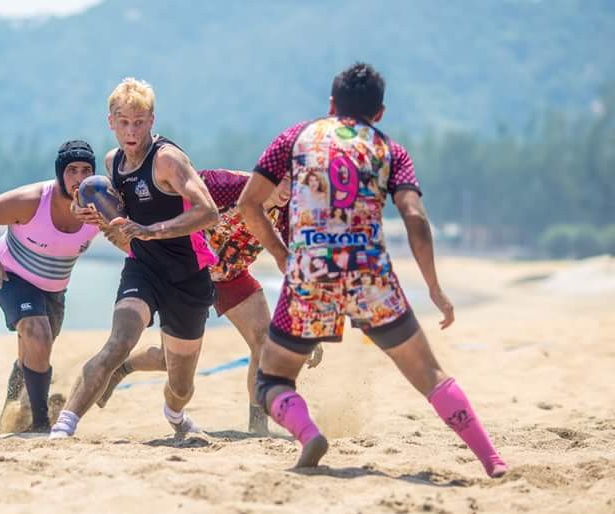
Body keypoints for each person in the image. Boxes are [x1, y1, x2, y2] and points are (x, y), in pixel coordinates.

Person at [237, 62, 508, 477]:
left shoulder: (294, 138)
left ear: (331, 104)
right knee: (430, 376)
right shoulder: (390, 150)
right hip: (370, 275)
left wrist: (280, 253)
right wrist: (434, 289)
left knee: (271, 381)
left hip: (310, 273)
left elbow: (248, 205)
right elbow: (415, 218)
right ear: (379, 112)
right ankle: (492, 460)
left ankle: (308, 433)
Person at [49, 78, 219, 439]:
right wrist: (94, 217)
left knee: (181, 384)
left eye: (139, 122)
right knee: (119, 341)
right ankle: (64, 427)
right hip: (143, 268)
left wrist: (153, 230)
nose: (131, 130)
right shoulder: (112, 164)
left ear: (152, 120)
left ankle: (175, 415)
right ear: (110, 122)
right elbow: (121, 225)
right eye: (124, 122)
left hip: (188, 277)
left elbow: (209, 213)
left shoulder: (168, 160)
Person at [94, 169, 323, 435]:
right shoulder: (229, 185)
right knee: (171, 362)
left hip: (231, 275)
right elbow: (173, 193)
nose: (288, 189)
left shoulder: (290, 213)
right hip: (189, 268)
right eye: (284, 181)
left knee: (264, 340)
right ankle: (123, 367)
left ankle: (257, 426)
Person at [0, 140, 100, 433]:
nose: (79, 178)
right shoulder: (32, 200)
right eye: (72, 170)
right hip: (11, 275)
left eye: (86, 170)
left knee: (36, 350)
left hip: (54, 289)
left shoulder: (99, 206)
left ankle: (12, 413)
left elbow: (127, 232)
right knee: (37, 335)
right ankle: (40, 423)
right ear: (59, 173)